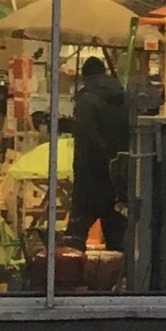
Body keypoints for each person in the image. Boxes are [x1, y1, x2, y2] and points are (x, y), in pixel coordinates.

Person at [64, 53, 128, 253]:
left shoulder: (85, 99)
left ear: (85, 76)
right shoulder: (123, 96)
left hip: (90, 176)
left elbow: (87, 135)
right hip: (119, 175)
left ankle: (71, 272)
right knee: (117, 240)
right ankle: (117, 272)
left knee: (74, 240)